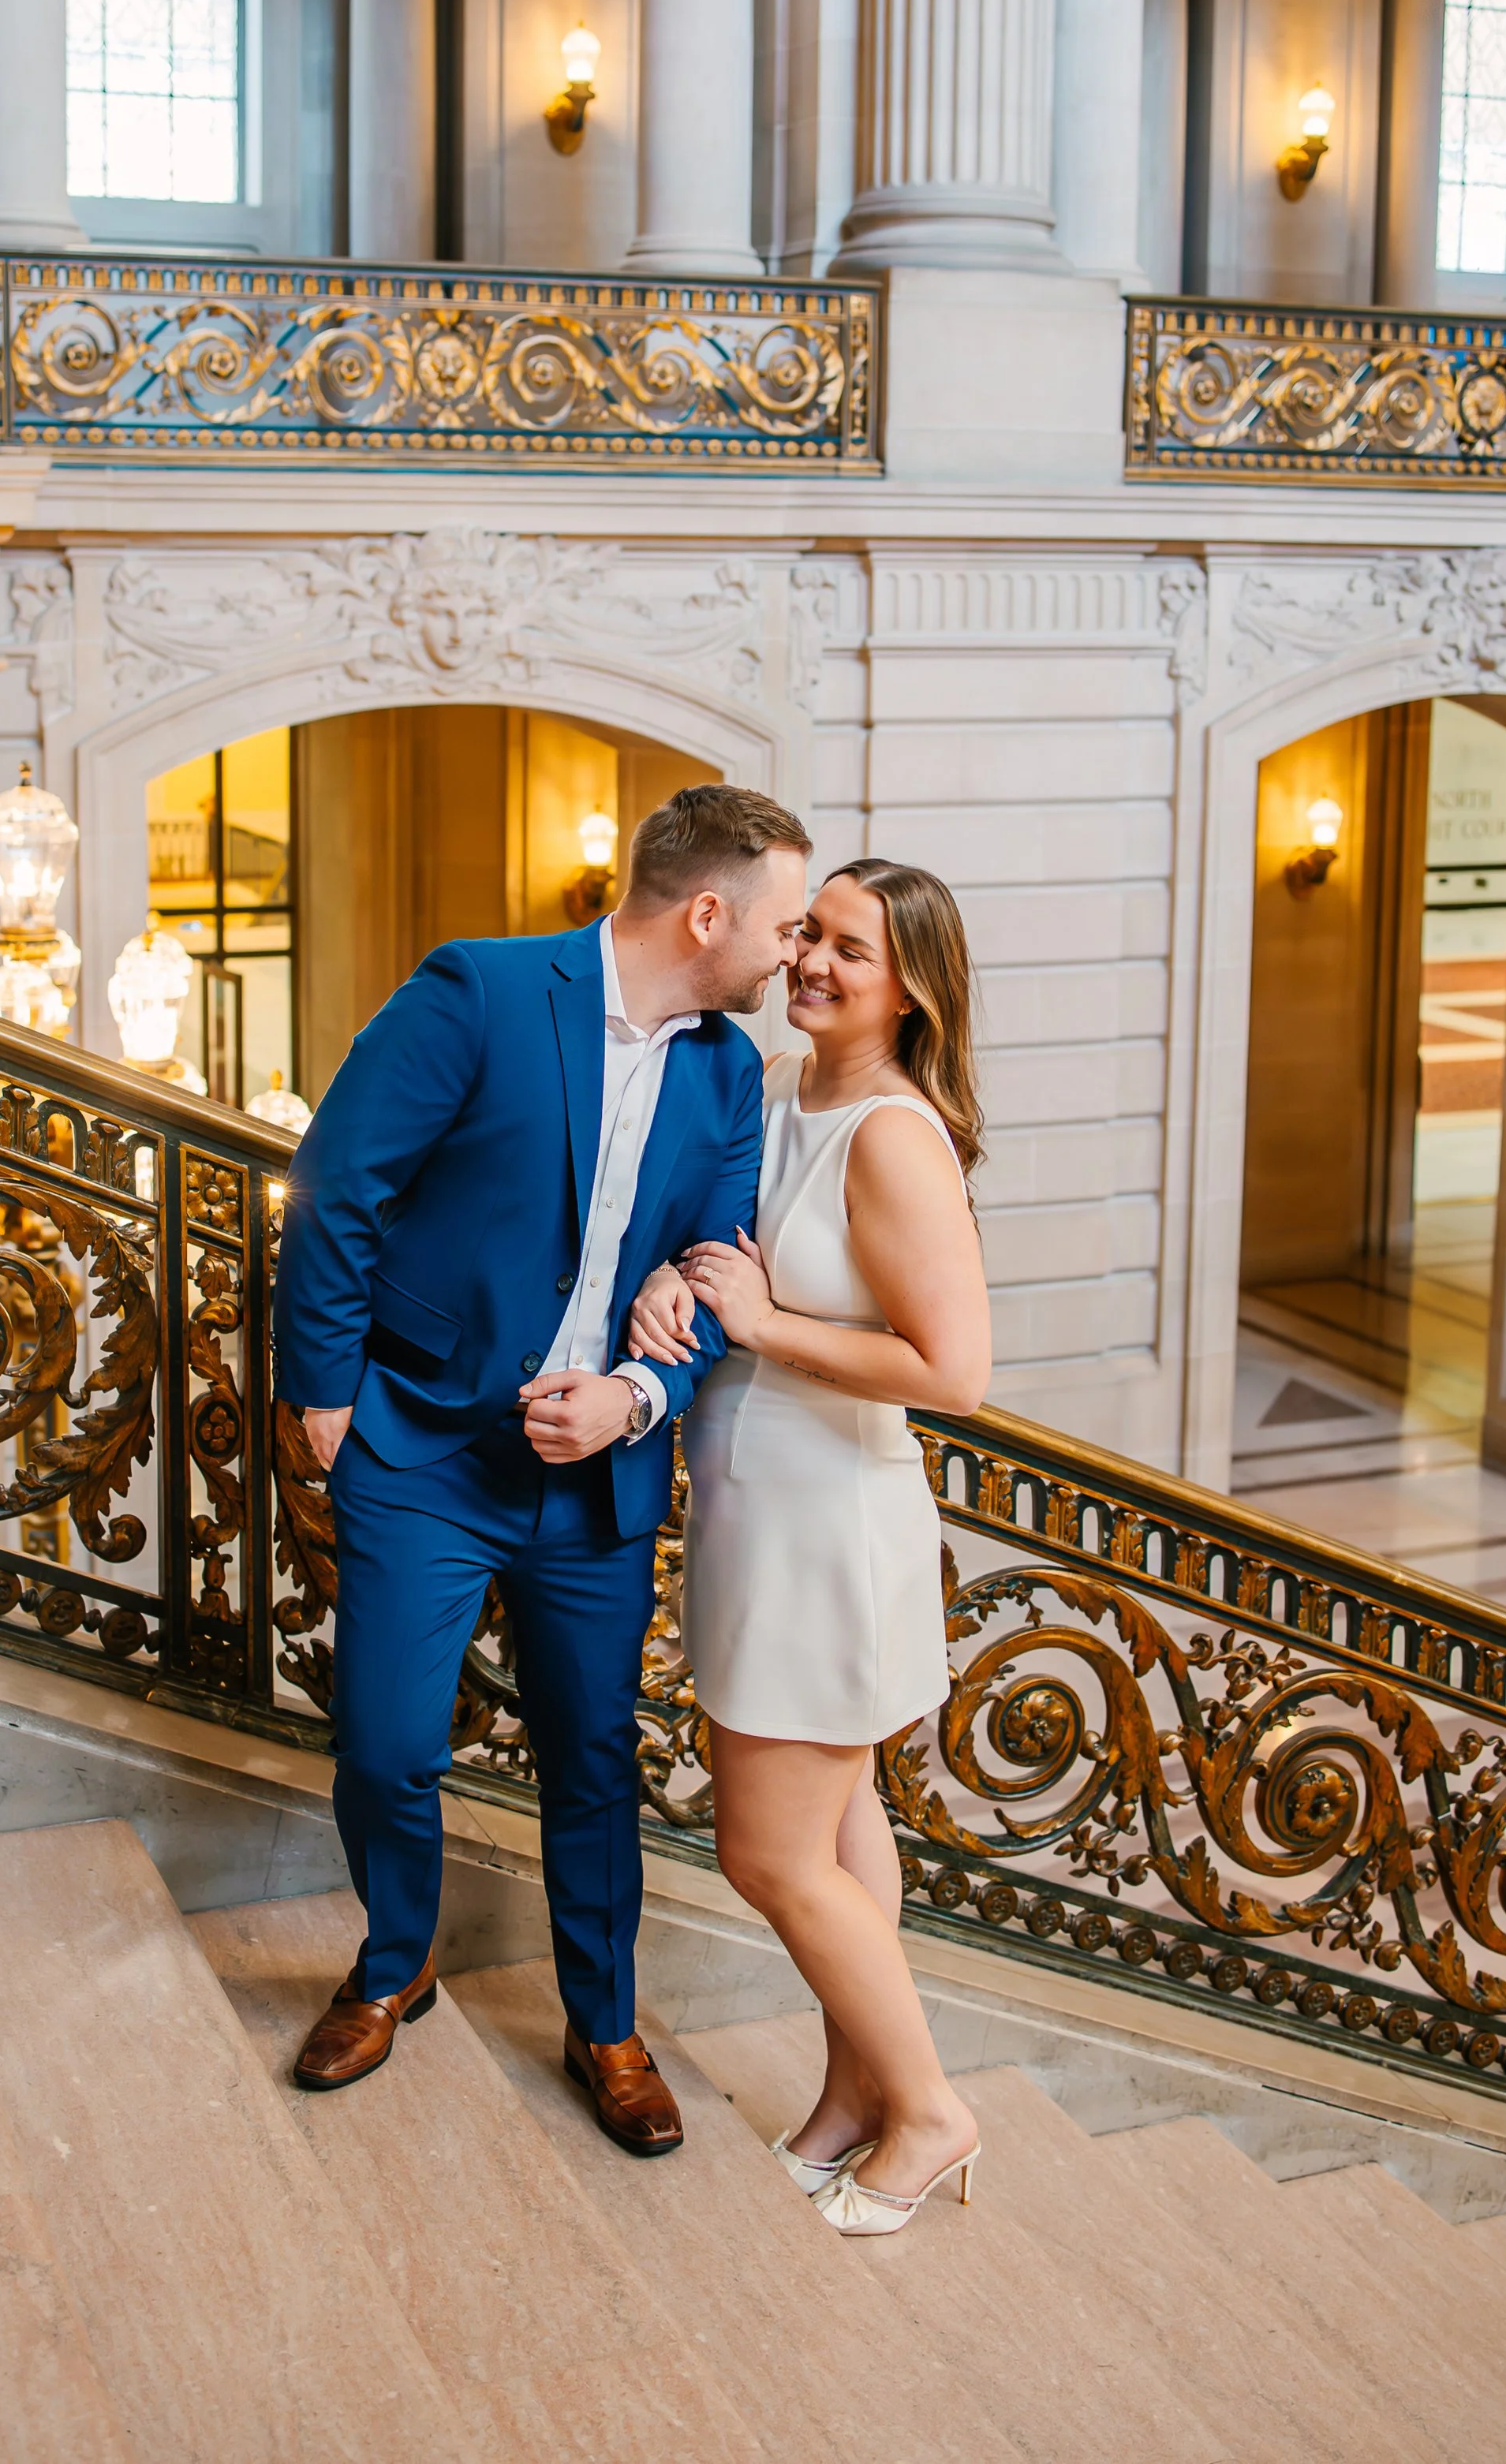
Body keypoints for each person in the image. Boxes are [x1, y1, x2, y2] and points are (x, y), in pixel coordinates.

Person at [271, 783, 811, 2155]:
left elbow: (715, 1272)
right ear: (709, 911)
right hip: (423, 1446)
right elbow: (341, 1185)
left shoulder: (728, 1071)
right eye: (786, 924)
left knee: (592, 1757)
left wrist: (636, 1395)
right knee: (388, 1743)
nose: (792, 954)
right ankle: (396, 1964)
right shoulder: (480, 992)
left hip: (596, 1490)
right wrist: (325, 1392)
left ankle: (606, 2023)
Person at [628, 859, 992, 2234]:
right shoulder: (786, 1092)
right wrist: (687, 1284)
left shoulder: (892, 1134)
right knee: (842, 1829)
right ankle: (860, 2098)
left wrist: (768, 1325)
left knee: (769, 1856)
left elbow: (953, 1370)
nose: (812, 963)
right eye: (809, 935)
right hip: (750, 1505)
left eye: (849, 948)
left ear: (910, 987)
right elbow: (728, 1258)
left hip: (827, 1527)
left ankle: (936, 2111)